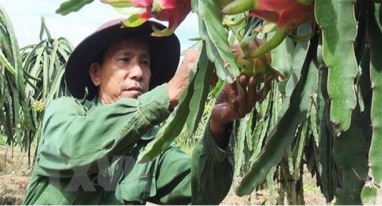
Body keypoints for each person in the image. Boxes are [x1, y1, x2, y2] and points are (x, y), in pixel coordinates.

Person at [24, 19, 257, 205]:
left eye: (145, 62)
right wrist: (168, 93)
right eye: (124, 59)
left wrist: (218, 126)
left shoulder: (152, 148)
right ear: (96, 73)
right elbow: (74, 150)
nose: (138, 72)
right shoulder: (66, 112)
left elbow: (203, 194)